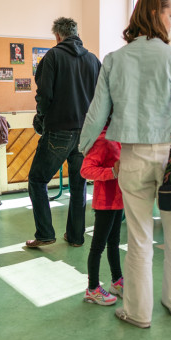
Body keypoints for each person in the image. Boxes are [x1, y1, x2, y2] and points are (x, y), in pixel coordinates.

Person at [79, 0, 171, 328]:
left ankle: (138, 312)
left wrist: (82, 147)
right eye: (170, 14)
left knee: (138, 236)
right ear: (153, 13)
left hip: (132, 155)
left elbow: (97, 112)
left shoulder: (114, 60)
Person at [26, 17, 101, 248]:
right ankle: (76, 236)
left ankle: (45, 233)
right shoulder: (93, 60)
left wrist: (40, 117)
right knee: (79, 184)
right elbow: (101, 98)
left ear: (58, 35)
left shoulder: (52, 57)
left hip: (59, 130)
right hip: (86, 133)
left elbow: (44, 95)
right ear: (76, 33)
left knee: (37, 180)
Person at [80, 124, 123, 306]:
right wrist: (112, 172)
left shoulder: (121, 136)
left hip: (119, 200)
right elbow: (86, 170)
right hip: (105, 202)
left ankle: (117, 281)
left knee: (114, 243)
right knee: (98, 247)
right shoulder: (102, 139)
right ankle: (92, 289)